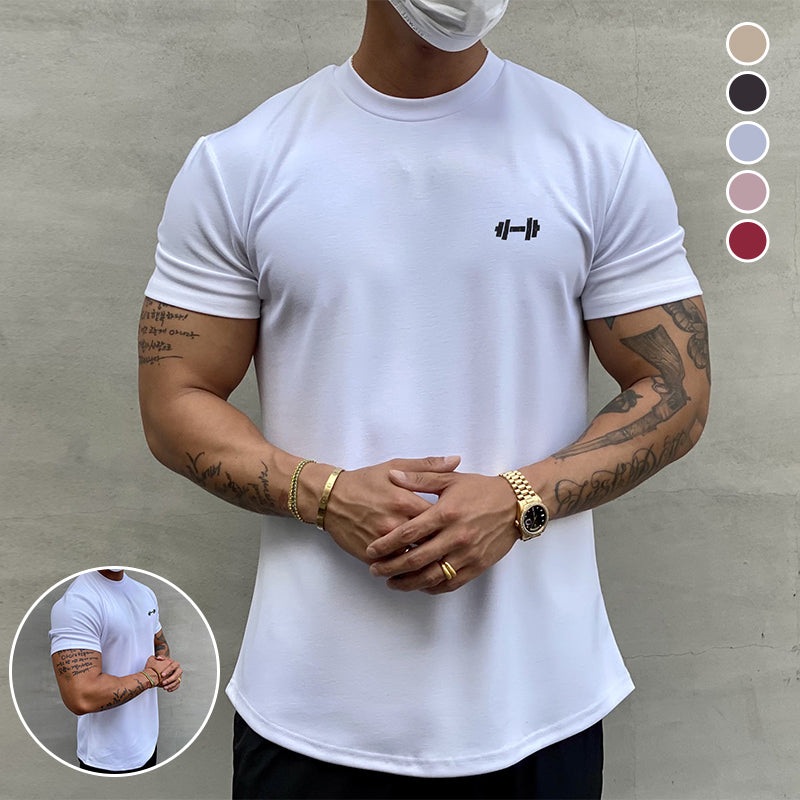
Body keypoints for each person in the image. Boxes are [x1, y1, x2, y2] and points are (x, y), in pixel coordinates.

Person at [138, 1, 710, 796]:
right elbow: (175, 400)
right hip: (310, 710)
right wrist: (324, 494)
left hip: (538, 707)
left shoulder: (597, 154)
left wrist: (518, 501)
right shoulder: (242, 162)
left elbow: (677, 387)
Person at [49, 568, 182, 773]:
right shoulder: (78, 602)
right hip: (107, 756)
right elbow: (81, 696)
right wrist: (152, 675)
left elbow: (158, 642)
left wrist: (165, 669)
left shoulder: (145, 593)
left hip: (147, 743)